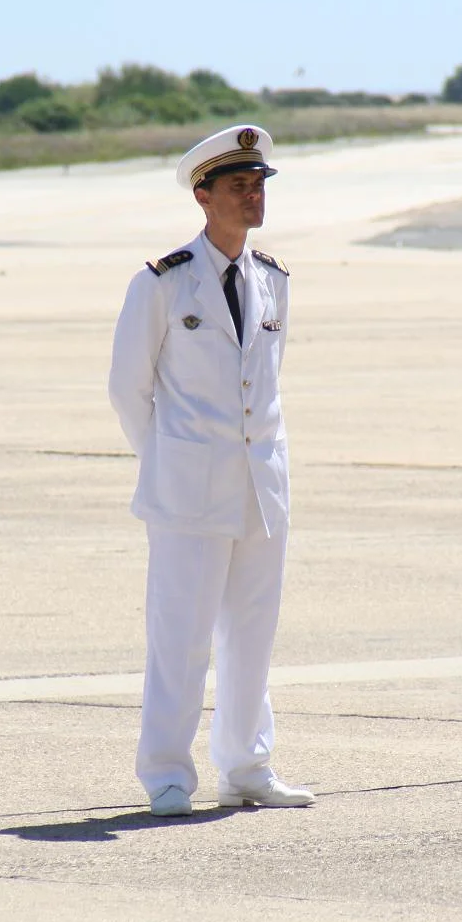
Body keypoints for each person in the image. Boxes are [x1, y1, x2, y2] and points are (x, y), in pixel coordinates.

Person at [108, 124, 315, 817]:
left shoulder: (272, 280)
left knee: (252, 633)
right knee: (181, 637)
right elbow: (128, 390)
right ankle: (166, 771)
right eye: (238, 186)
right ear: (203, 195)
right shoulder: (162, 284)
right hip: (186, 493)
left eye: (258, 185)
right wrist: (170, 462)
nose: (253, 197)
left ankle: (248, 765)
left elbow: (269, 383)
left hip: (261, 488)